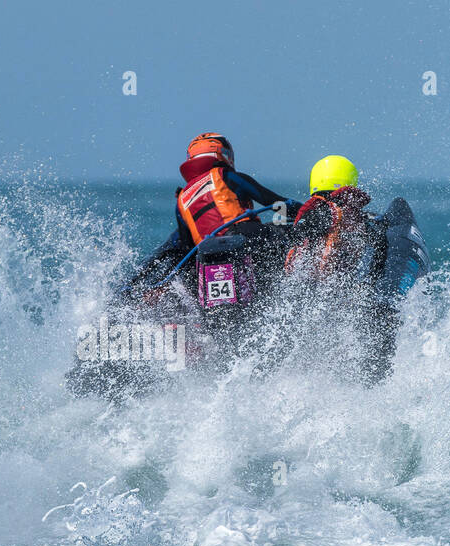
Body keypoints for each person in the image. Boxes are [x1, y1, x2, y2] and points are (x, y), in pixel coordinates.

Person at [122, 133, 300, 291]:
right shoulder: (226, 176)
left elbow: (186, 246)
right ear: (223, 155)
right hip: (245, 236)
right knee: (286, 231)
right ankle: (293, 282)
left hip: (207, 256)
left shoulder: (182, 199)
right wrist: (305, 212)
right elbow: (274, 202)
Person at [284, 155, 398, 383]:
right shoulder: (341, 213)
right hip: (333, 295)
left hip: (305, 294)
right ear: (350, 181)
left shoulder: (312, 212)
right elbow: (376, 245)